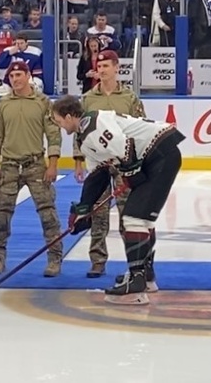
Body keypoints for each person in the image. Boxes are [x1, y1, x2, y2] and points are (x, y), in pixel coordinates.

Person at [51, 94, 185, 304]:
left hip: (161, 154)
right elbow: (98, 175)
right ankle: (146, 277)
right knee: (142, 220)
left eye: (59, 121)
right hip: (156, 156)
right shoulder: (85, 137)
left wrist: (131, 173)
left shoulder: (94, 125)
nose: (59, 126)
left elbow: (125, 146)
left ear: (68, 117)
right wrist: (84, 208)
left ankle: (136, 283)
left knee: (133, 218)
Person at [72, 49, 146, 278]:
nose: (102, 71)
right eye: (99, 66)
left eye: (106, 66)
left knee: (129, 216)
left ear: (116, 67)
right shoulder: (87, 99)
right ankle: (97, 261)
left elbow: (140, 129)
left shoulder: (130, 98)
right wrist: (78, 161)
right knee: (98, 214)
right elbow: (79, 132)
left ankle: (135, 263)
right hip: (98, 165)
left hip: (124, 164)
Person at [0, 60, 63, 277]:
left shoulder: (43, 102)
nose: (15, 79)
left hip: (35, 164)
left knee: (48, 214)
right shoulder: (3, 104)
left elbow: (53, 133)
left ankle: (54, 258)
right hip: (9, 165)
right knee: (2, 214)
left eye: (19, 75)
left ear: (28, 75)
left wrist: (53, 163)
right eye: (11, 76)